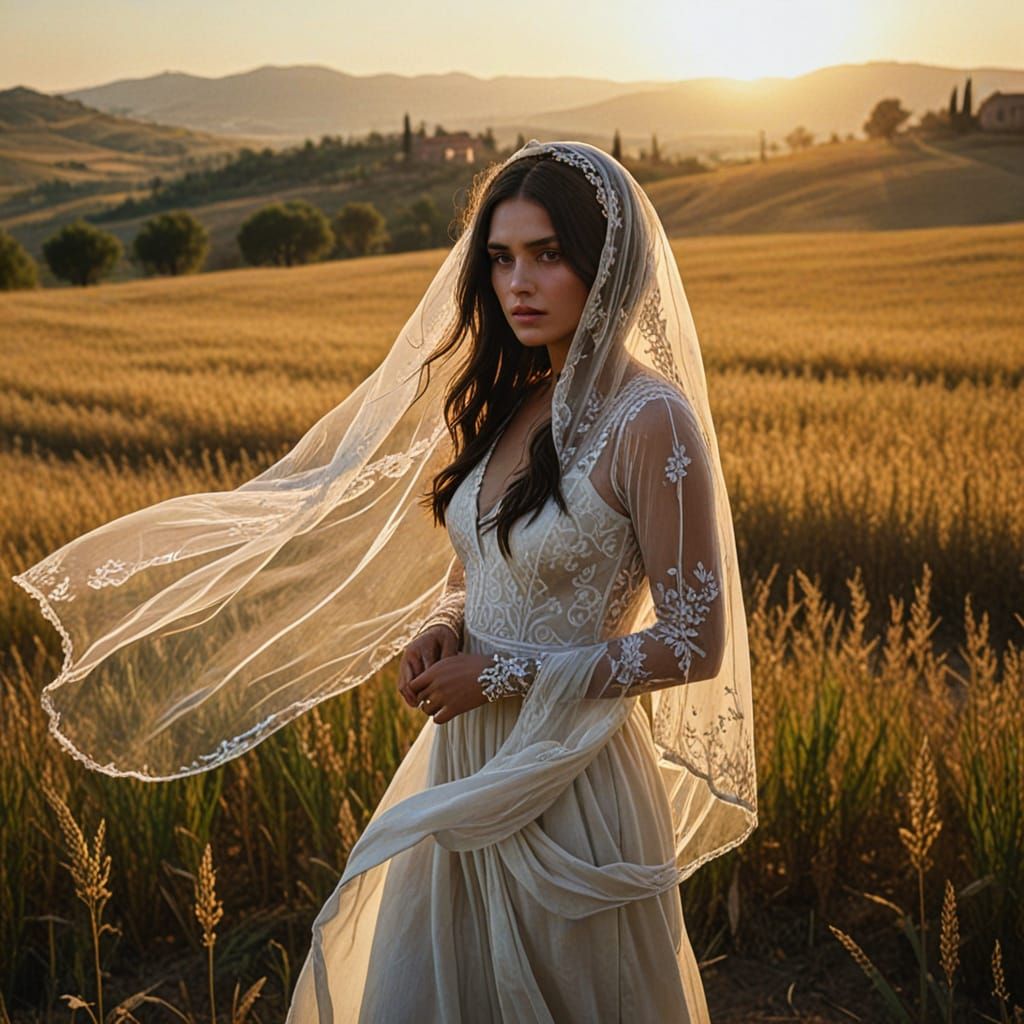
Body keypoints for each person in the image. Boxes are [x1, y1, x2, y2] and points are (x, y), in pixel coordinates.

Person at [12, 140, 756, 1022]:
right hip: (461, 755)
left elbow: (692, 643)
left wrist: (503, 675)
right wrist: (444, 624)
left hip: (571, 777)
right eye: (501, 258)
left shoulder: (652, 422)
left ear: (608, 264)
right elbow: (477, 567)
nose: (519, 282)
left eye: (548, 255)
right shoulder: (513, 398)